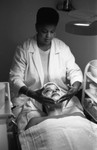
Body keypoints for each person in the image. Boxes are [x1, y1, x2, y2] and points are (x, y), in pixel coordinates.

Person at [9, 7, 83, 131]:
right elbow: (14, 78)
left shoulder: (62, 48)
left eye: (52, 31)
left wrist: (74, 88)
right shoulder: (24, 49)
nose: (48, 36)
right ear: (37, 27)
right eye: (44, 31)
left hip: (60, 99)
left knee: (77, 126)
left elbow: (74, 71)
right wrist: (33, 94)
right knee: (37, 130)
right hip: (32, 101)